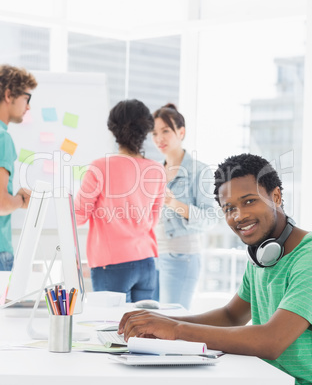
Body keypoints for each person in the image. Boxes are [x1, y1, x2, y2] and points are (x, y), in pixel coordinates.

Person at [118, 153, 312, 385]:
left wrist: (176, 329)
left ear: (276, 196)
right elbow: (231, 316)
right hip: (268, 378)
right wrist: (159, 322)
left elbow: (272, 340)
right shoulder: (262, 255)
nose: (239, 215)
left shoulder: (307, 257)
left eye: (249, 201)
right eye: (229, 208)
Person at [74, 99, 166, 302]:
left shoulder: (100, 167)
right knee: (144, 330)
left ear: (113, 129)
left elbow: (77, 217)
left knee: (112, 329)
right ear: (146, 130)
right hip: (147, 261)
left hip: (111, 263)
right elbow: (152, 219)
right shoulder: (157, 170)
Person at [151, 103, 215, 309]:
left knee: (170, 324)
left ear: (181, 132)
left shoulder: (199, 171)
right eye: (154, 133)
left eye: (165, 131)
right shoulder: (153, 171)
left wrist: (173, 203)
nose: (159, 138)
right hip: (152, 257)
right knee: (150, 323)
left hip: (181, 257)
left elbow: (210, 219)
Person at [0, 65, 37, 271]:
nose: (28, 106)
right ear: (8, 95)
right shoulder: (2, 137)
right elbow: (2, 204)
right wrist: (22, 200)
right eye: (26, 98)